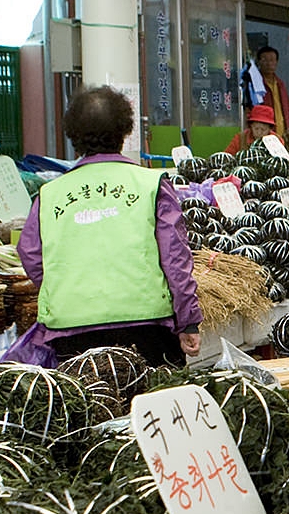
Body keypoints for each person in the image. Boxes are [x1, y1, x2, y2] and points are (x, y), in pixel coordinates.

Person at [16, 87, 204, 366]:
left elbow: (30, 253)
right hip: (145, 324)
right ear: (124, 131)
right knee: (149, 404)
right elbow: (175, 259)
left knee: (90, 405)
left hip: (71, 328)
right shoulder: (150, 184)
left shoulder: (49, 194)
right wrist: (188, 321)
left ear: (73, 136)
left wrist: (68, 287)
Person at [254, 45, 289, 131]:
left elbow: (287, 109)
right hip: (264, 131)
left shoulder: (280, 84)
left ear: (276, 62)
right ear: (259, 62)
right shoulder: (256, 84)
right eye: (265, 60)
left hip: (282, 131)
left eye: (272, 60)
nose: (269, 63)